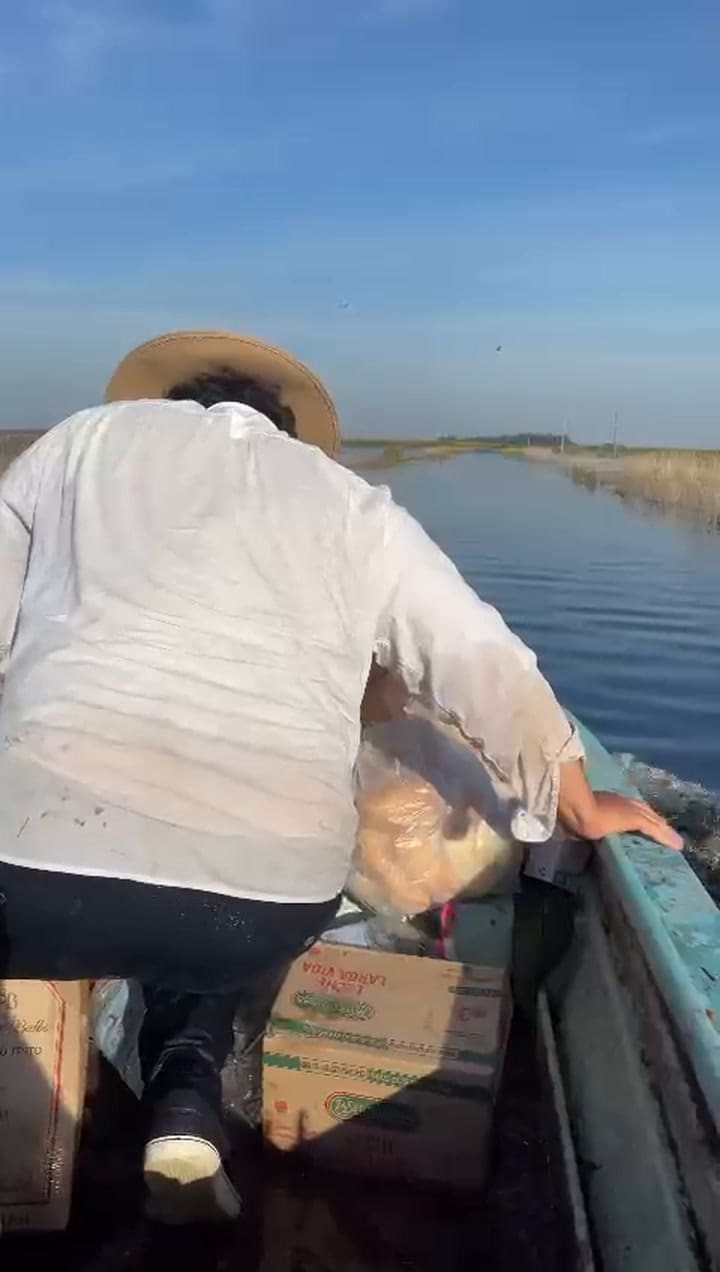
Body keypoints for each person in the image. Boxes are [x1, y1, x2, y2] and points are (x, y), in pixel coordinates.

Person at [0, 330, 681, 1226]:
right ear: (288, 433)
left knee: (96, 873)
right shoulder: (352, 502)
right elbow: (476, 655)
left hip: (34, 884)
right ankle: (186, 1109)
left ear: (163, 408)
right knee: (210, 909)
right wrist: (577, 799)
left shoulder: (76, 447)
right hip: (258, 908)